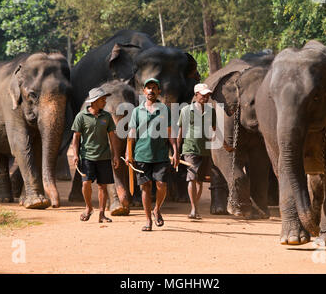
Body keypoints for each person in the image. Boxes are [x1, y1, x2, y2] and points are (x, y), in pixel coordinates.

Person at [126, 78, 179, 231]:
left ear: (159, 91)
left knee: (161, 184)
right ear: (144, 92)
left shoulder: (164, 110)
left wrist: (175, 151)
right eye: (148, 88)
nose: (151, 90)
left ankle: (157, 209)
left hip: (161, 154)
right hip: (141, 154)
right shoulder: (137, 111)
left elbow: (170, 132)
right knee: (145, 187)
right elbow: (131, 133)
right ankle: (148, 220)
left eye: (154, 88)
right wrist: (128, 153)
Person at [71, 87, 120, 223]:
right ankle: (89, 208)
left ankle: (102, 214)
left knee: (102, 186)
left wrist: (115, 155)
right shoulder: (81, 117)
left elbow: (112, 137)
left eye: (105, 99)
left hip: (104, 157)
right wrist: (75, 155)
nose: (105, 101)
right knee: (86, 183)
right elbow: (76, 138)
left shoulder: (107, 116)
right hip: (87, 156)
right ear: (94, 101)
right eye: (102, 99)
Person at [177, 83, 219, 220]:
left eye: (208, 95)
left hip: (205, 150)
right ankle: (194, 209)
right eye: (203, 95)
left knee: (200, 180)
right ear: (196, 95)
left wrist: (224, 144)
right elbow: (180, 132)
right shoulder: (185, 111)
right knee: (192, 177)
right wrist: (177, 151)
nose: (206, 97)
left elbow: (214, 129)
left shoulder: (210, 111)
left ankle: (195, 206)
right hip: (190, 148)